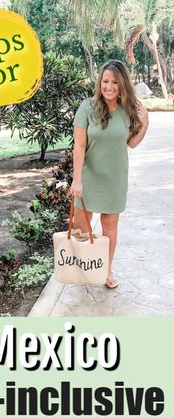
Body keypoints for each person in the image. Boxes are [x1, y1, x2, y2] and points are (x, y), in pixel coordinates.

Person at [71, 59, 149, 289]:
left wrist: (145, 124)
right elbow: (79, 146)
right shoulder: (86, 107)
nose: (109, 86)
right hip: (88, 176)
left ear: (122, 84)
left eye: (115, 82)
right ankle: (86, 268)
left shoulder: (129, 110)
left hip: (115, 178)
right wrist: (76, 180)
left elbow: (132, 143)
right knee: (82, 228)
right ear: (99, 82)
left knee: (110, 227)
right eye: (105, 81)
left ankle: (105, 270)